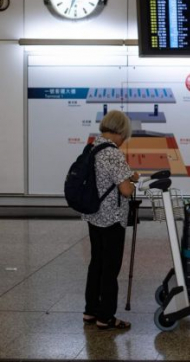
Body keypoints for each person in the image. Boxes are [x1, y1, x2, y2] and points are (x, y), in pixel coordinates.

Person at [82, 110, 139, 330]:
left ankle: (90, 310)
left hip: (94, 215)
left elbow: (106, 178)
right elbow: (125, 190)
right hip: (112, 219)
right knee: (110, 267)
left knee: (96, 262)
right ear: (121, 131)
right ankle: (105, 317)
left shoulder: (93, 147)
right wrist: (133, 183)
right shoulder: (113, 153)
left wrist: (128, 176)